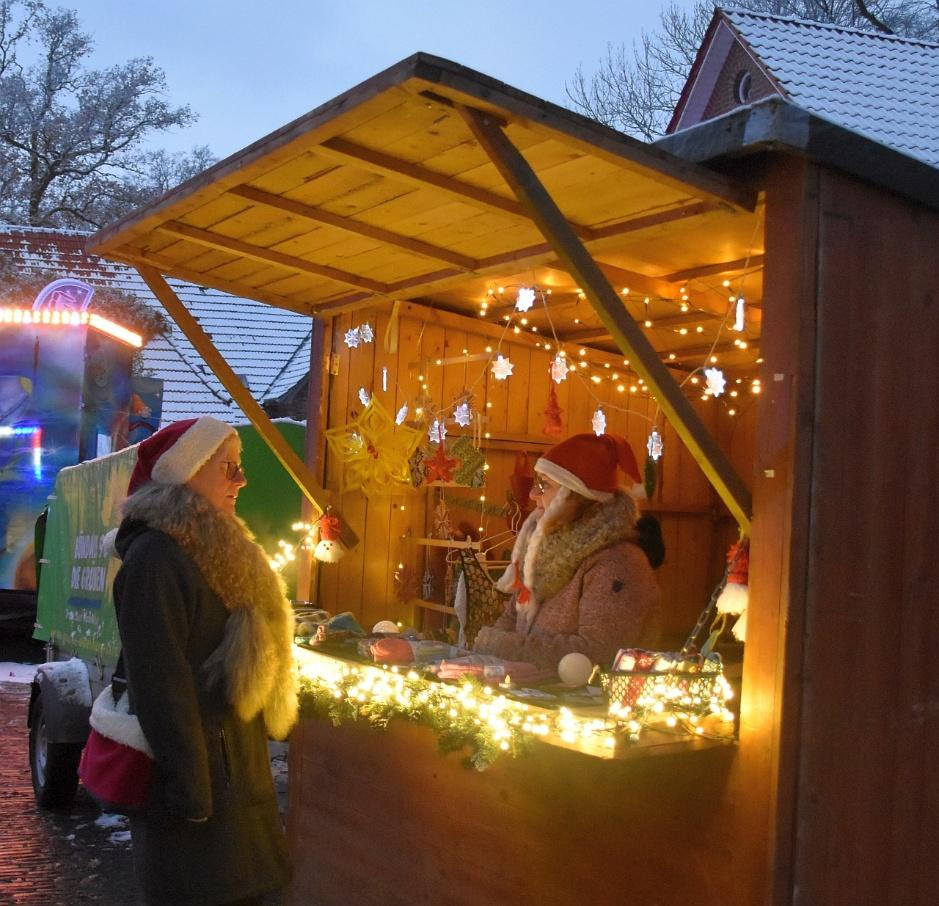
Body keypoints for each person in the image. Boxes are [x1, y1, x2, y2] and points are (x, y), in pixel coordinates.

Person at [111, 416, 298, 906]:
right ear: (185, 470)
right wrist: (191, 794)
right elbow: (160, 686)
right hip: (194, 798)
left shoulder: (222, 554)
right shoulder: (157, 558)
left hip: (234, 785)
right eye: (228, 467)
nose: (242, 480)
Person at [474, 433, 663, 672]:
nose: (533, 494)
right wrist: (493, 648)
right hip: (533, 688)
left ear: (578, 495)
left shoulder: (618, 563)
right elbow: (513, 617)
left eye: (545, 485)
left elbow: (598, 653)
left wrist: (500, 645)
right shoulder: (543, 552)